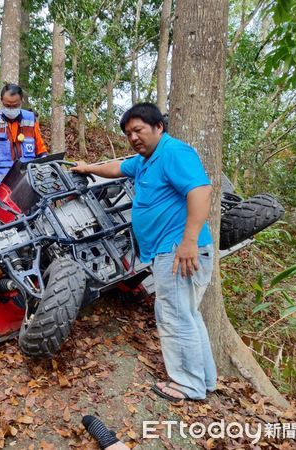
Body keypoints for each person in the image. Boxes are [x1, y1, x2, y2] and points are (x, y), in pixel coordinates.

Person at [72, 102, 216, 402]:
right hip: (171, 251)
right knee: (187, 314)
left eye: (138, 130)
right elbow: (116, 168)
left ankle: (188, 385)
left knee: (175, 316)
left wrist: (188, 241)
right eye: (128, 133)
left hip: (179, 251)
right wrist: (87, 168)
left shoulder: (174, 152)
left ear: (158, 127)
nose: (133, 137)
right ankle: (205, 380)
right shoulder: (144, 160)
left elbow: (201, 191)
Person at [0, 83, 48, 186]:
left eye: (15, 105)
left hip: (28, 180)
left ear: (21, 101)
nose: (11, 109)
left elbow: (40, 149)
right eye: (7, 106)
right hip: (1, 183)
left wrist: (45, 161)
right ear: (2, 101)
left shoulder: (30, 119)